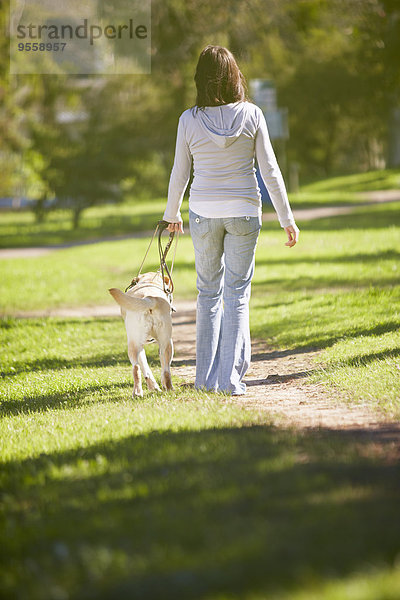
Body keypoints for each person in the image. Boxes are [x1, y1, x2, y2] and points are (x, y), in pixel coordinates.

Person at [163, 45, 299, 395]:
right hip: (243, 212)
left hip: (204, 213)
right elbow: (269, 169)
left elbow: (181, 171)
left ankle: (204, 381)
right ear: (235, 76)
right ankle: (231, 381)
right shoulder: (252, 114)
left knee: (208, 294)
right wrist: (287, 217)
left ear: (199, 79)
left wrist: (171, 212)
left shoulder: (188, 120)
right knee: (236, 295)